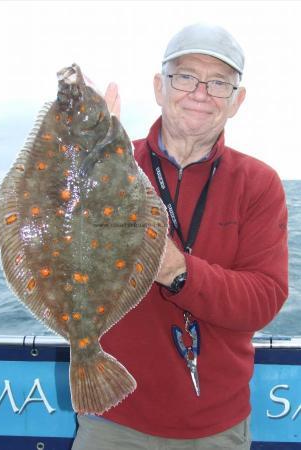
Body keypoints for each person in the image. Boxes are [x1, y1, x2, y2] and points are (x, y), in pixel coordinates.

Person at [72, 23, 288, 450]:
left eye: (219, 82)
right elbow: (58, 240)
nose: (200, 92)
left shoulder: (259, 183)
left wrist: (177, 271)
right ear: (159, 87)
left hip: (215, 427)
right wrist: (87, 146)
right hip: (110, 420)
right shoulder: (108, 162)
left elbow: (264, 298)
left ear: (237, 100)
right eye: (185, 76)